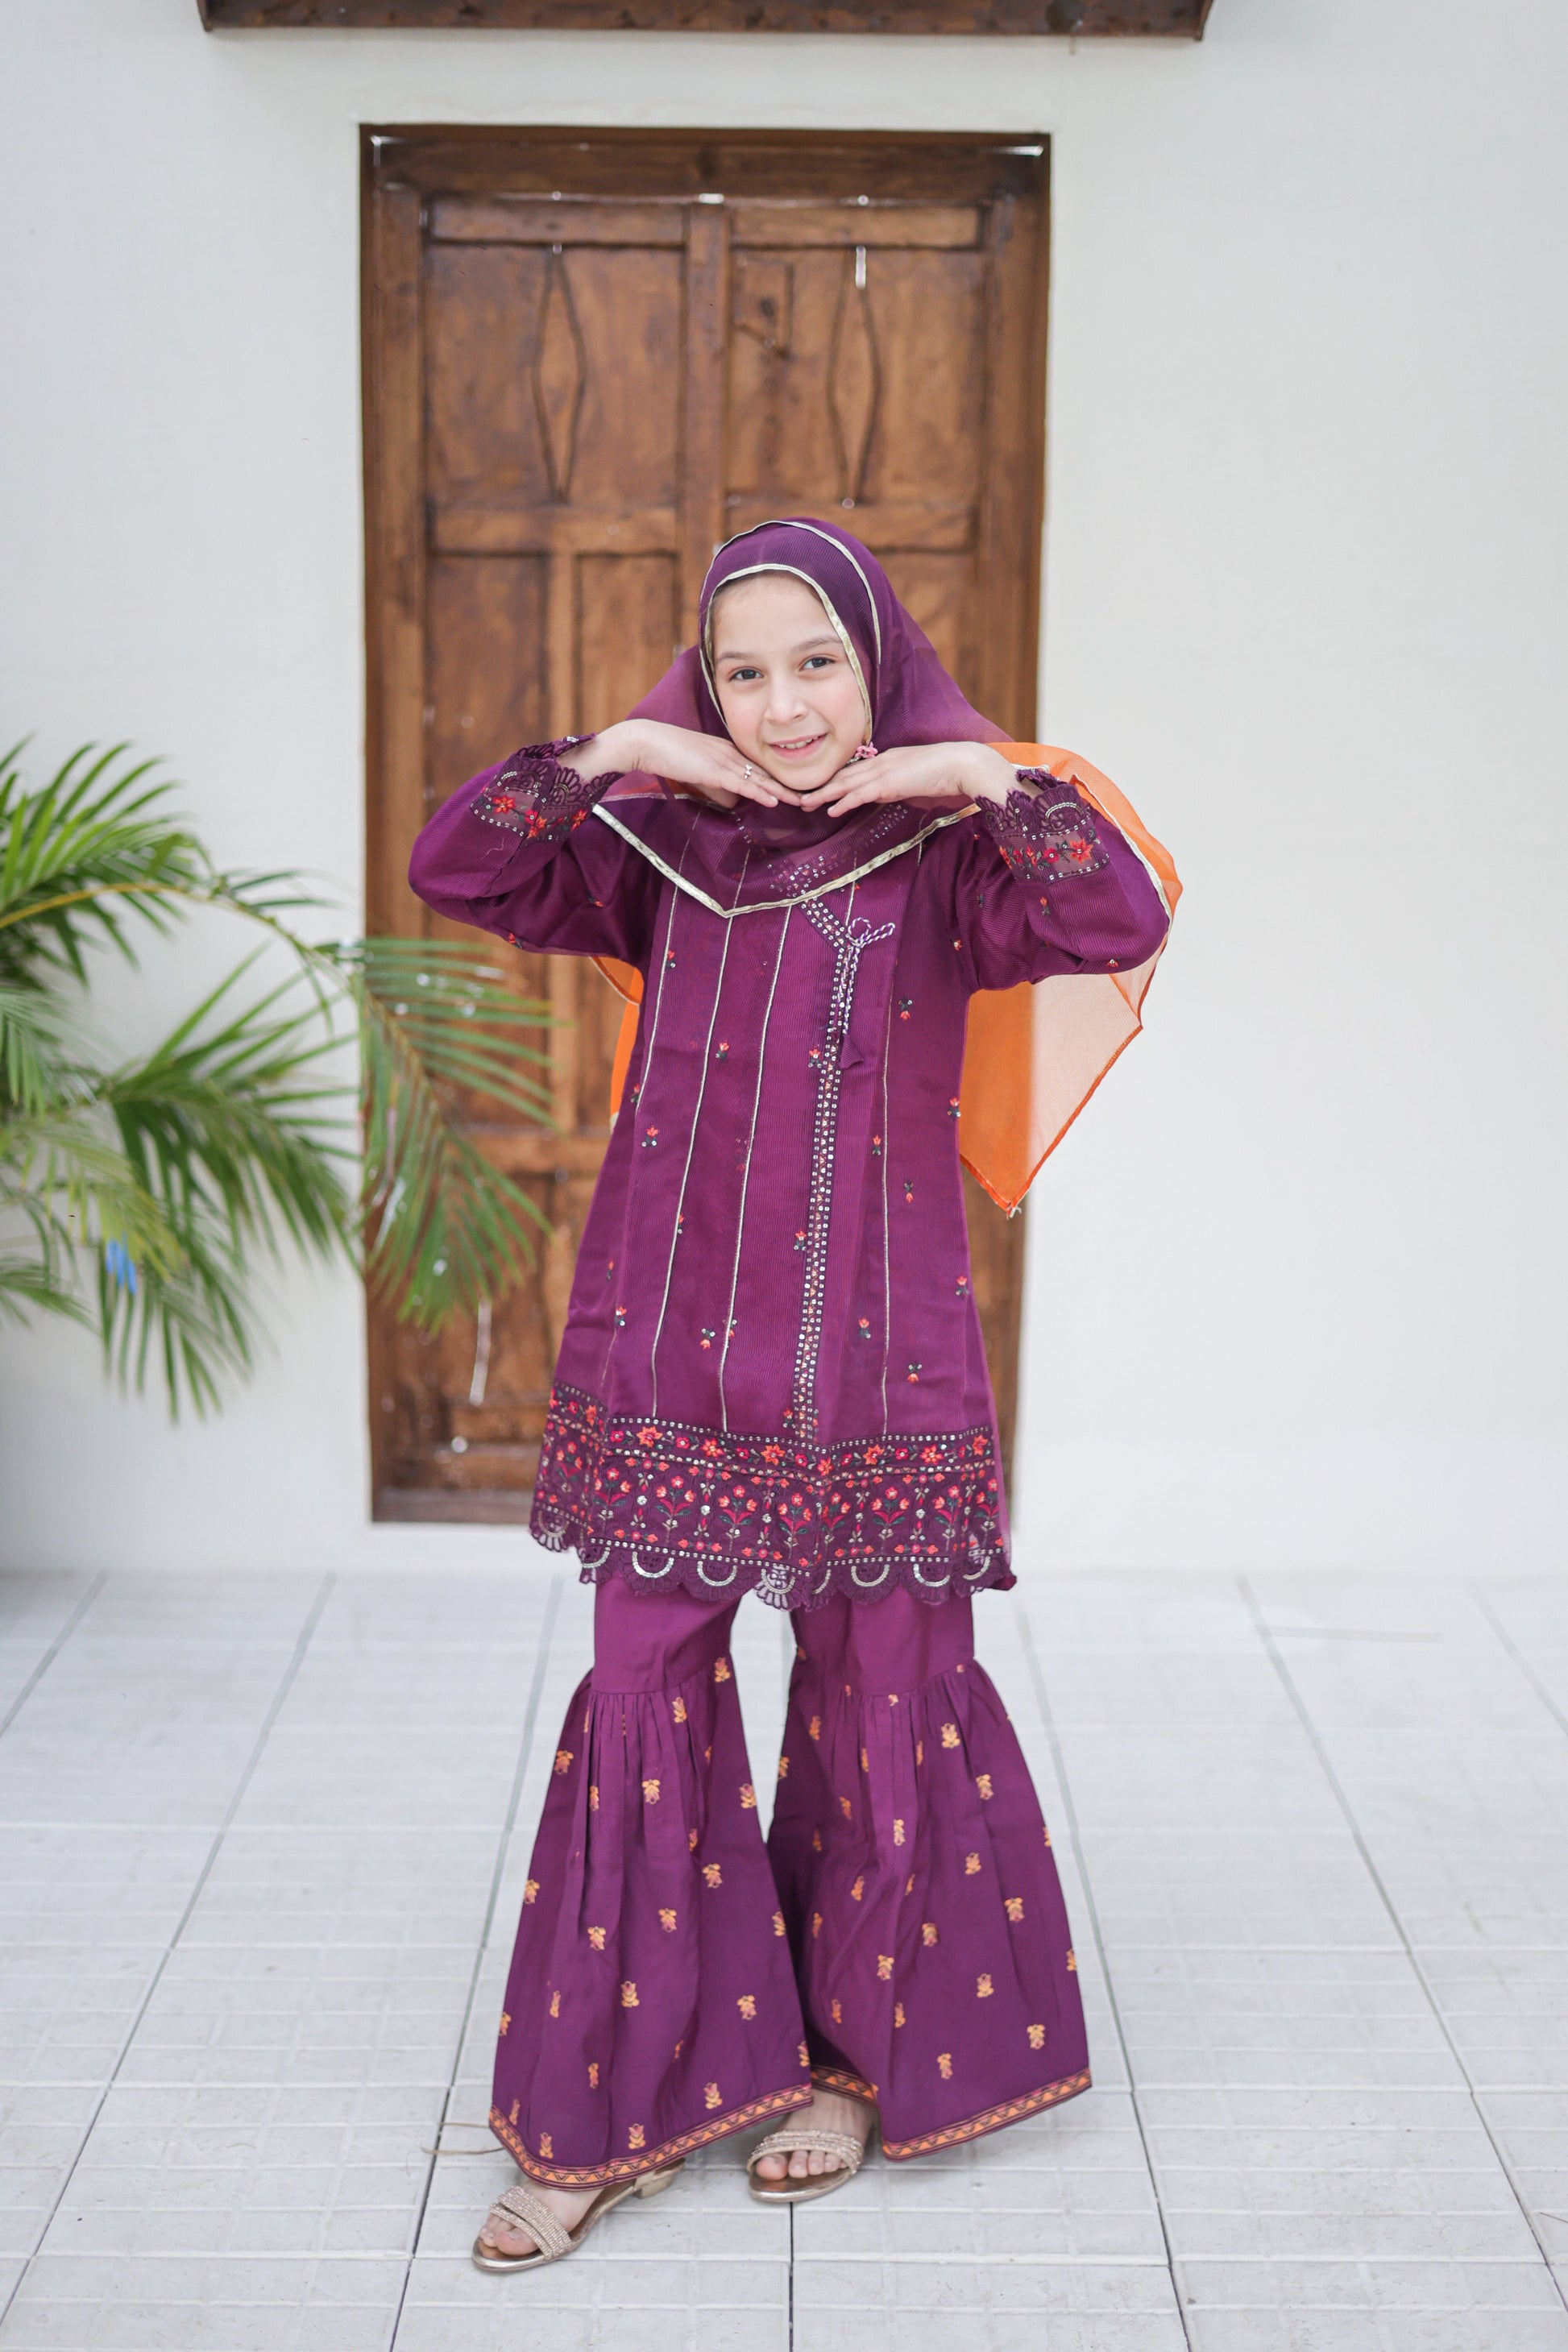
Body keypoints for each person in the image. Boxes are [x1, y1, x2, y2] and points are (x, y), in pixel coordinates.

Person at [408, 517, 1175, 2271]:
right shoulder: (651, 844)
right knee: (638, 1684)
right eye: (740, 671)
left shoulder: (950, 858)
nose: (781, 706)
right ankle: (605, 2114)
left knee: (879, 1687)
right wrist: (624, 747)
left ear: (877, 667)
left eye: (817, 663)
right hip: (671, 1350)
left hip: (876, 1359)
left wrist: (970, 771)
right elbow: (460, 865)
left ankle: (846, 2063)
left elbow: (1112, 910)